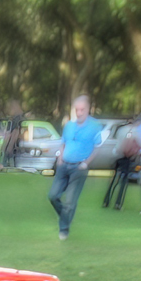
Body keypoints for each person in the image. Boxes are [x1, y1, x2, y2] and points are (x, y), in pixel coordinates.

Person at [50, 95, 96, 239]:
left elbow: (97, 147)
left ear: (88, 109)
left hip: (79, 168)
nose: (79, 112)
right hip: (64, 166)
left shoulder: (95, 126)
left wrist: (85, 163)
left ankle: (64, 229)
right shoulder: (69, 125)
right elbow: (64, 143)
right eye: (77, 109)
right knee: (52, 196)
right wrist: (60, 159)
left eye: (82, 109)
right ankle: (66, 217)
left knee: (70, 201)